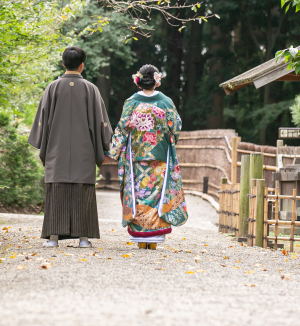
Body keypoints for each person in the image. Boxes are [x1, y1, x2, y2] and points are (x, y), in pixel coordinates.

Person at [27, 46, 113, 248]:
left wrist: (42, 144)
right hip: (84, 152)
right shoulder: (91, 89)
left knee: (57, 191)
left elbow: (42, 120)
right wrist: (105, 148)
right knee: (82, 192)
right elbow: (101, 122)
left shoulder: (52, 88)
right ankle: (84, 239)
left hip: (57, 151)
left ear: (63, 63)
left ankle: (53, 238)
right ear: (82, 65)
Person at [105, 64, 188, 249]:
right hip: (160, 156)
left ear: (139, 80)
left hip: (136, 157)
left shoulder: (131, 102)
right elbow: (175, 127)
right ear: (157, 80)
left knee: (138, 193)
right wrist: (166, 140)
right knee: (157, 194)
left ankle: (141, 239)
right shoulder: (166, 102)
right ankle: (154, 240)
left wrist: (112, 152)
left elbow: (121, 128)